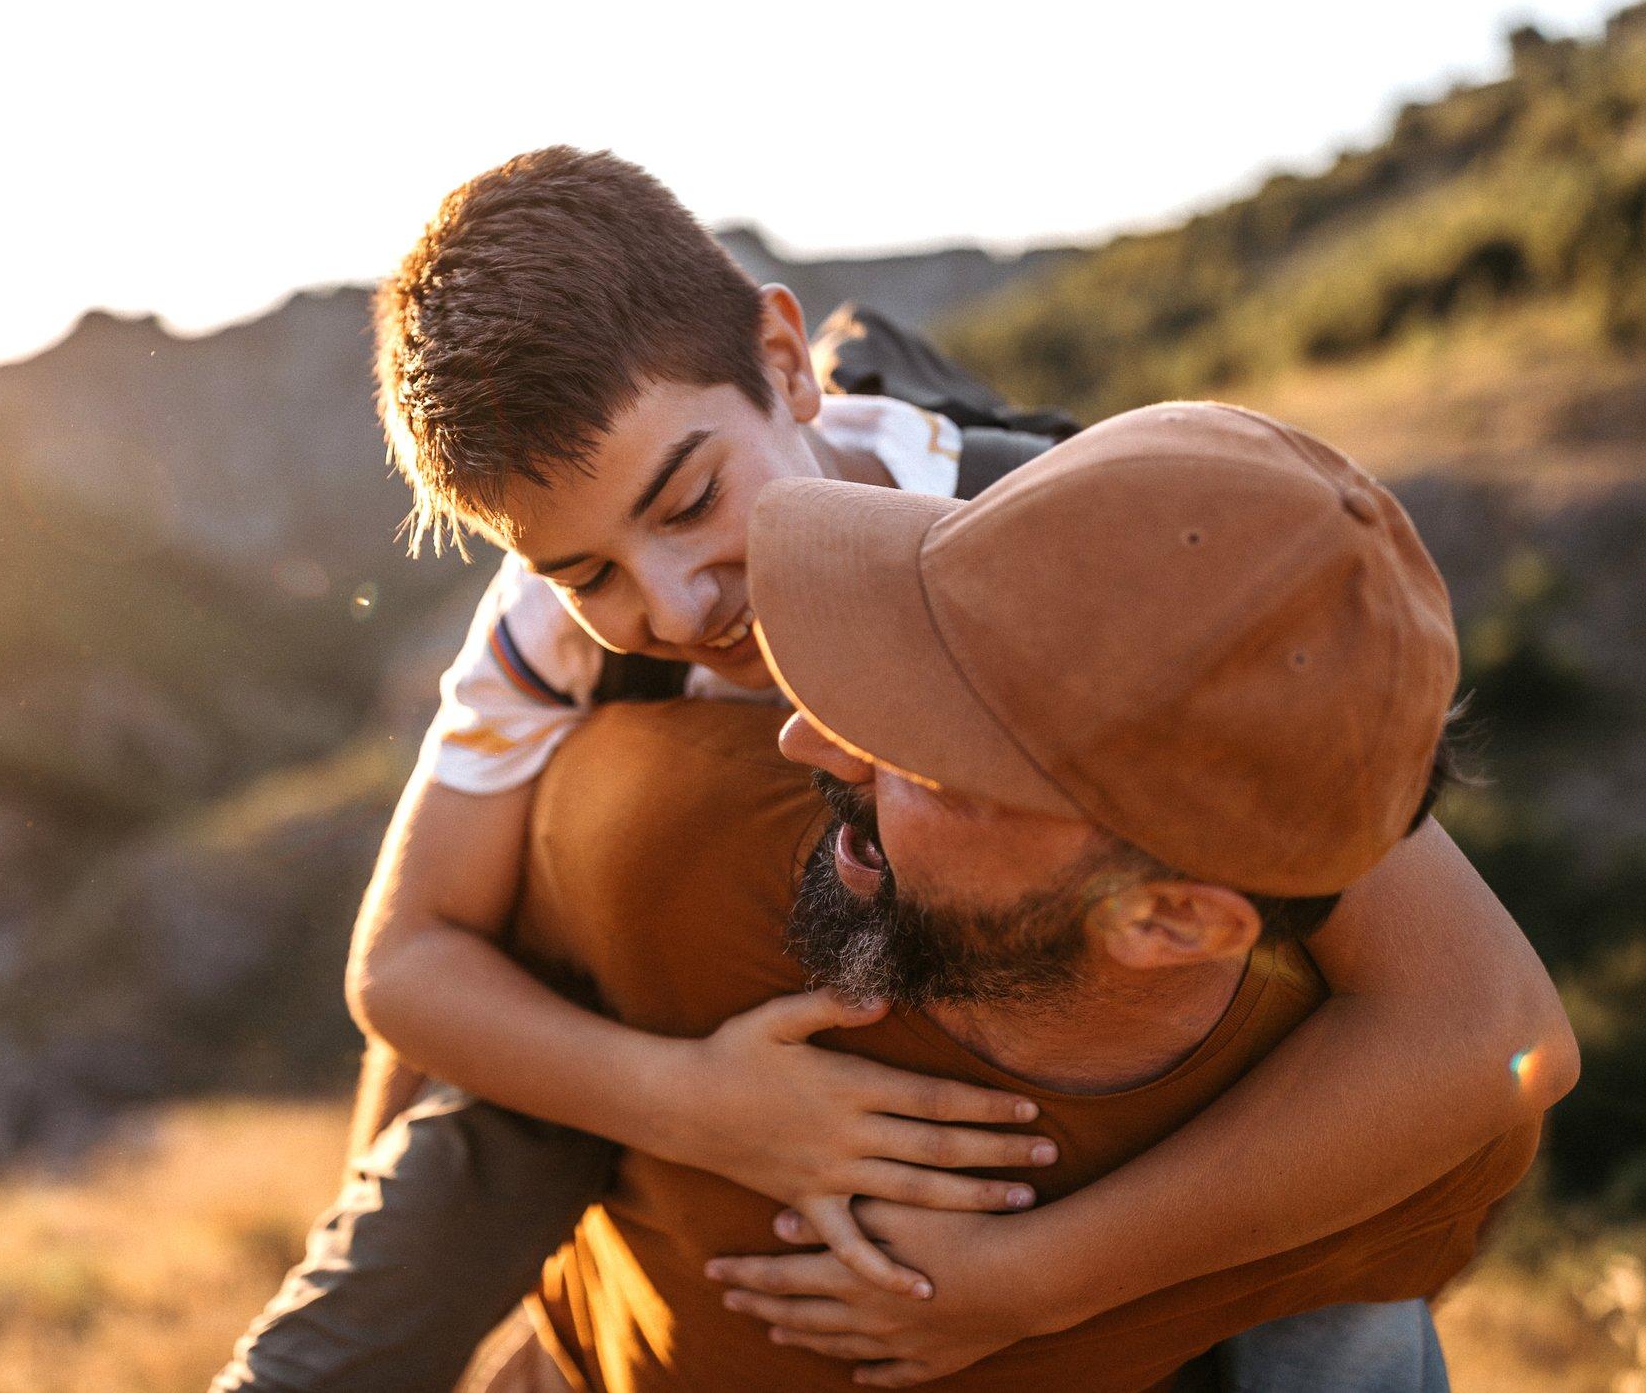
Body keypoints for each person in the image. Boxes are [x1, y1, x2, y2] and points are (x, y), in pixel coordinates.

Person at [216, 150, 1575, 1389]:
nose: (678, 602)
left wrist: (1029, 1285)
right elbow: (405, 968)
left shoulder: (1052, 554)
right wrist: (684, 1112)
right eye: (583, 571)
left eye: (690, 500)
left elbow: (1472, 1017)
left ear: (785, 360)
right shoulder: (550, 639)